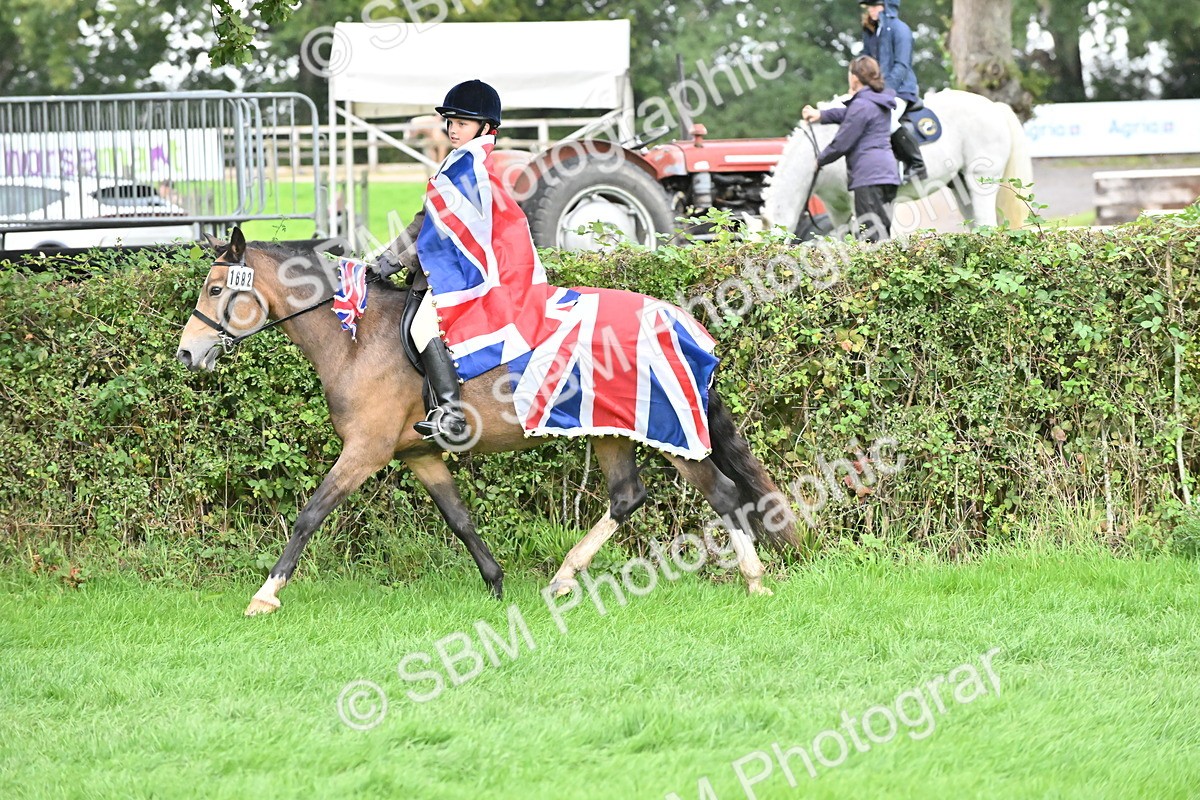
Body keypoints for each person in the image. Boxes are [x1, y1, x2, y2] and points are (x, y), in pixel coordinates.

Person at [377, 79, 549, 441]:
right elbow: (426, 220)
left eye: (463, 123)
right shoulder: (456, 166)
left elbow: (438, 233)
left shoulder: (471, 172)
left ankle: (451, 415)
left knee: (421, 327)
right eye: (451, 122)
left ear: (485, 128)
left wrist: (397, 261)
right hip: (451, 273)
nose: (453, 129)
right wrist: (386, 257)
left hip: (467, 279)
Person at [802, 56, 900, 243]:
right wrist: (821, 115)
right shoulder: (876, 102)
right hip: (887, 174)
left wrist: (820, 161)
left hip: (869, 177)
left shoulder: (861, 105)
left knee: (871, 236)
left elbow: (842, 142)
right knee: (882, 236)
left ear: (855, 78)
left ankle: (875, 272)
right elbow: (847, 114)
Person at [859, 0, 926, 182]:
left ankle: (917, 164)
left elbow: (901, 65)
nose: (871, 10)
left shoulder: (900, 29)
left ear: (887, 6)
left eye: (875, 6)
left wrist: (885, 90)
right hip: (877, 91)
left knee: (886, 120)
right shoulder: (871, 32)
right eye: (869, 7)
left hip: (901, 89)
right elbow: (865, 63)